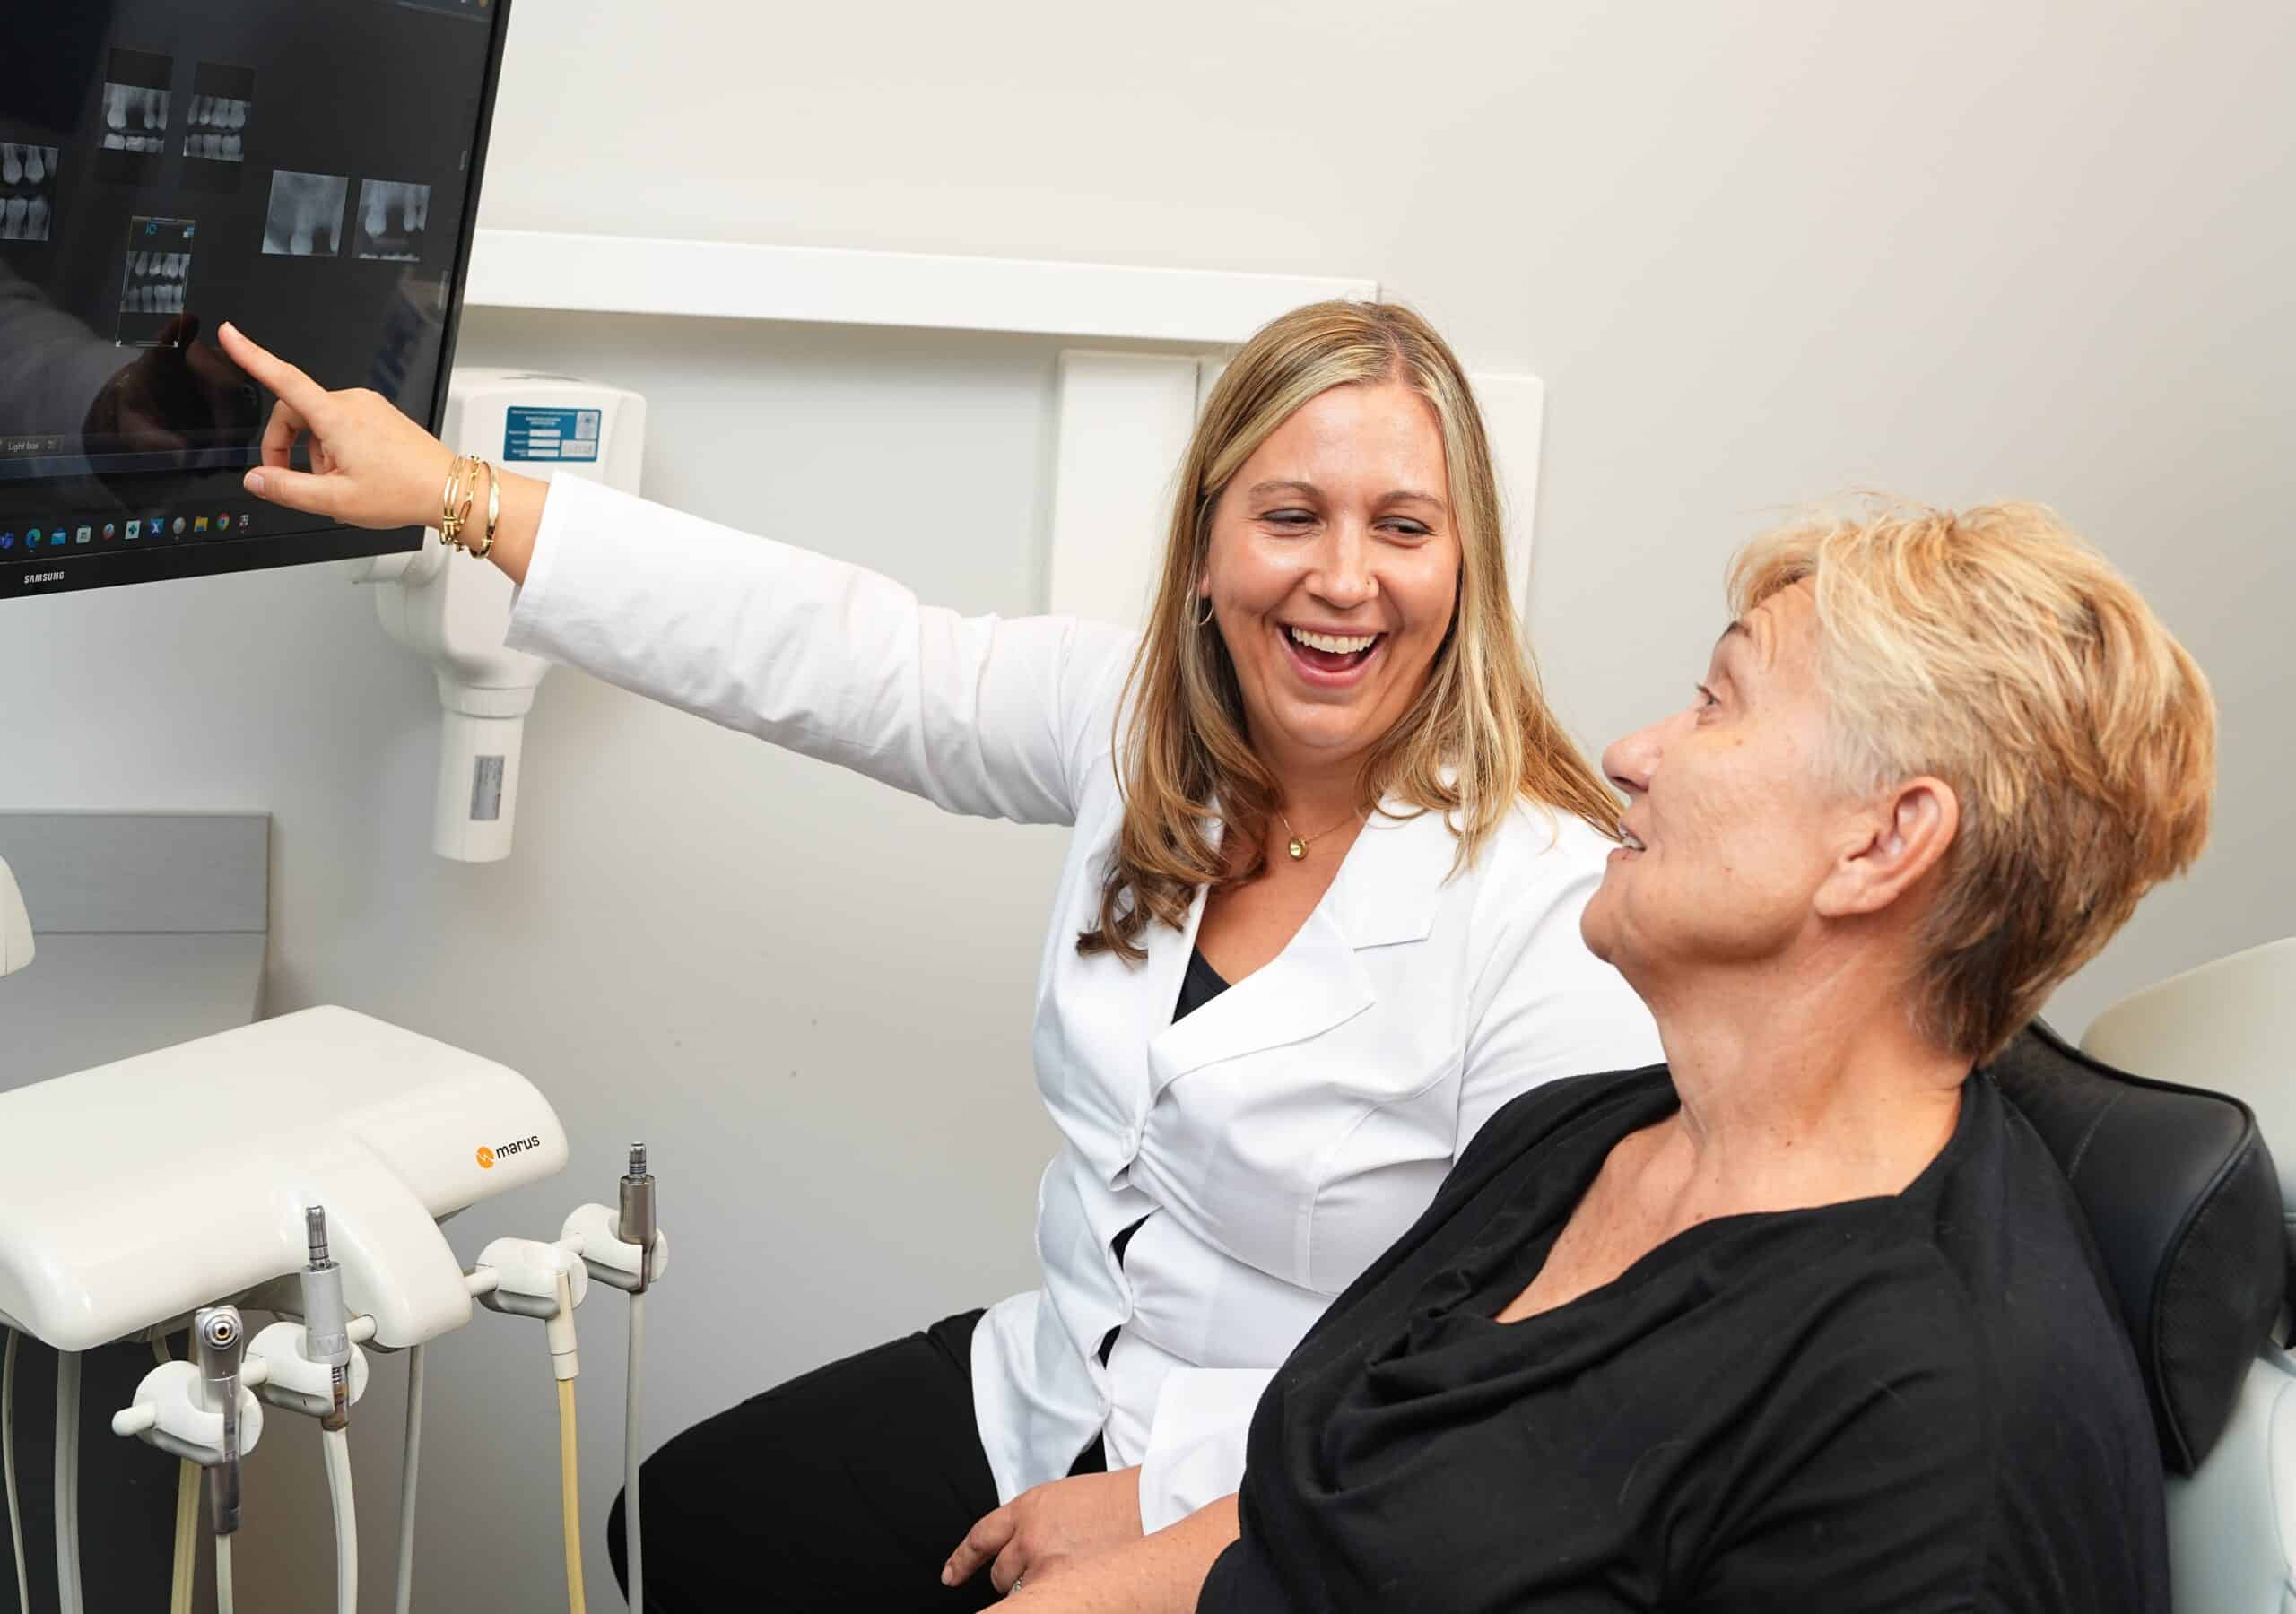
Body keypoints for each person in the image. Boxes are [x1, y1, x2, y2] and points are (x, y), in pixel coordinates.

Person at [214, 301, 1661, 1609]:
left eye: (1403, 528)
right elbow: (839, 652)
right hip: (1059, 1378)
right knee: (692, 1523)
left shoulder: (1553, 903)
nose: (1344, 579)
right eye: (1292, 515)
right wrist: (456, 495)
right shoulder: (1135, 725)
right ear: (1211, 540)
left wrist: (1173, 1515)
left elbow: (1527, 1363)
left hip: (1296, 1473)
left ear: (1466, 566)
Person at [964, 499, 2208, 1611]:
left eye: (1720, 703)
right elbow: (1334, 1506)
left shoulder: (1925, 1432)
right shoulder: (1578, 1140)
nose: (1631, 754)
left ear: (1883, 842)